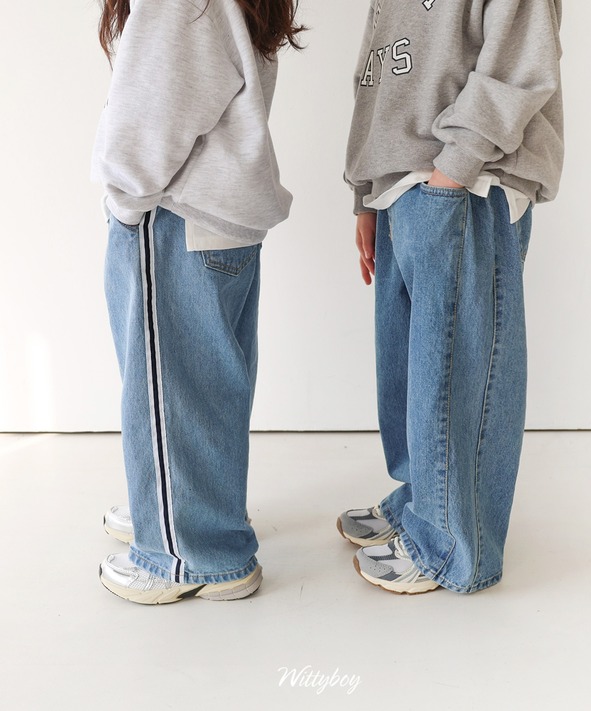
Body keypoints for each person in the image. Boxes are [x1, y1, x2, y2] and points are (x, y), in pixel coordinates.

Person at [339, 0, 563, 595]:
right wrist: (366, 193)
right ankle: (424, 502)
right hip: (402, 183)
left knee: (457, 372)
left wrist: (454, 169)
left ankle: (451, 547)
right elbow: (375, 77)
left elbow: (522, 61)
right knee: (413, 373)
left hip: (466, 180)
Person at [91, 0, 303, 604]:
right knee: (207, 383)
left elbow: (153, 113)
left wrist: (123, 200)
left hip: (178, 215)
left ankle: (189, 553)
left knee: (169, 385)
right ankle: (183, 506)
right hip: (225, 217)